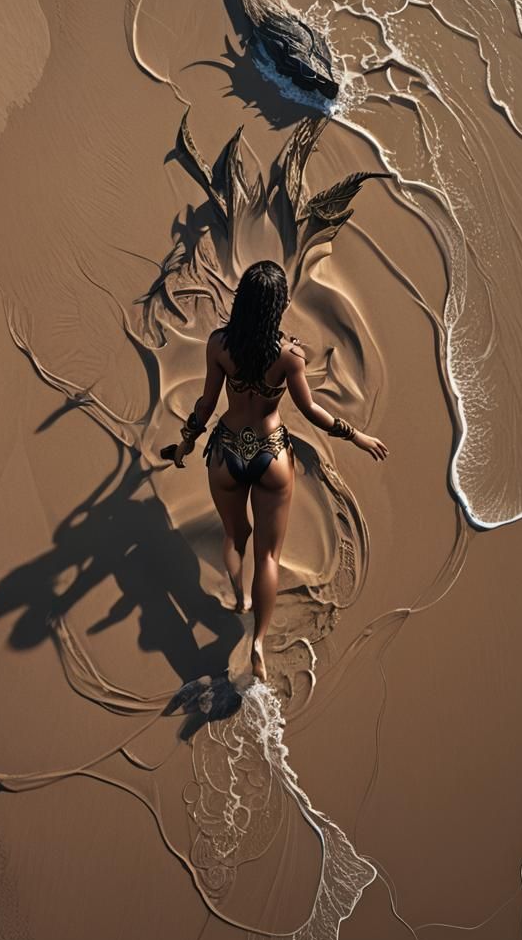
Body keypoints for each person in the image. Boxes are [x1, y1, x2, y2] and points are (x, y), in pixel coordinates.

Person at [165, 260, 388, 682]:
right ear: (278, 306)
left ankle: (237, 596)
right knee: (270, 555)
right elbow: (311, 411)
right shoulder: (289, 356)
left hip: (227, 450)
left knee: (235, 536)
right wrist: (355, 435)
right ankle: (256, 643)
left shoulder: (219, 345)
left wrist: (186, 442)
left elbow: (206, 406)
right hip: (270, 453)